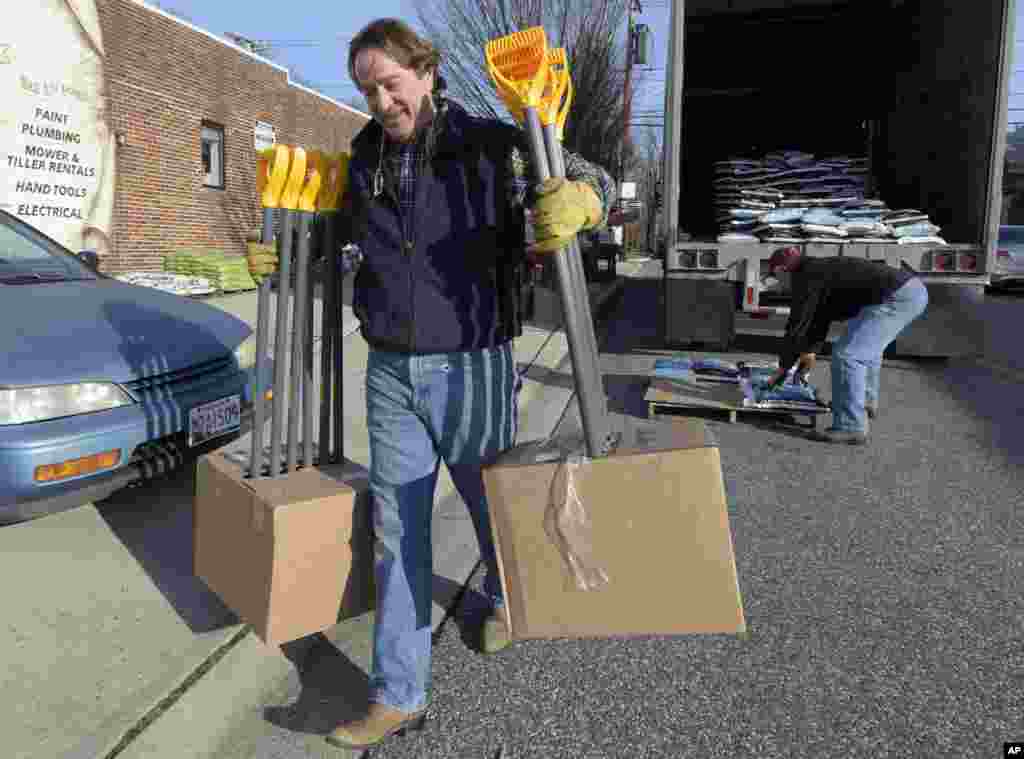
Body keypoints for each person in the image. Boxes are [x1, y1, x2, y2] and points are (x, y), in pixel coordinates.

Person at [325, 19, 616, 750]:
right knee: (399, 530)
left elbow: (598, 179)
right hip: (390, 369)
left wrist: (584, 202)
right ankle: (398, 692)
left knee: (495, 510)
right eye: (367, 90)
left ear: (426, 72)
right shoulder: (361, 159)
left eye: (390, 83)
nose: (381, 101)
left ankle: (509, 595)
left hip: (472, 360)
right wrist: (298, 249)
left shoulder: (494, 143)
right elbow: (345, 240)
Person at [765, 246, 928, 445]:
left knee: (848, 355)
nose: (778, 285)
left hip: (896, 297)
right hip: (908, 290)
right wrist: (809, 353)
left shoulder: (805, 277)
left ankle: (851, 426)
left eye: (774, 278)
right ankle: (863, 404)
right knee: (865, 351)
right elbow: (818, 319)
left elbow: (797, 325)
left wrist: (783, 367)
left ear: (782, 270)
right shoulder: (817, 270)